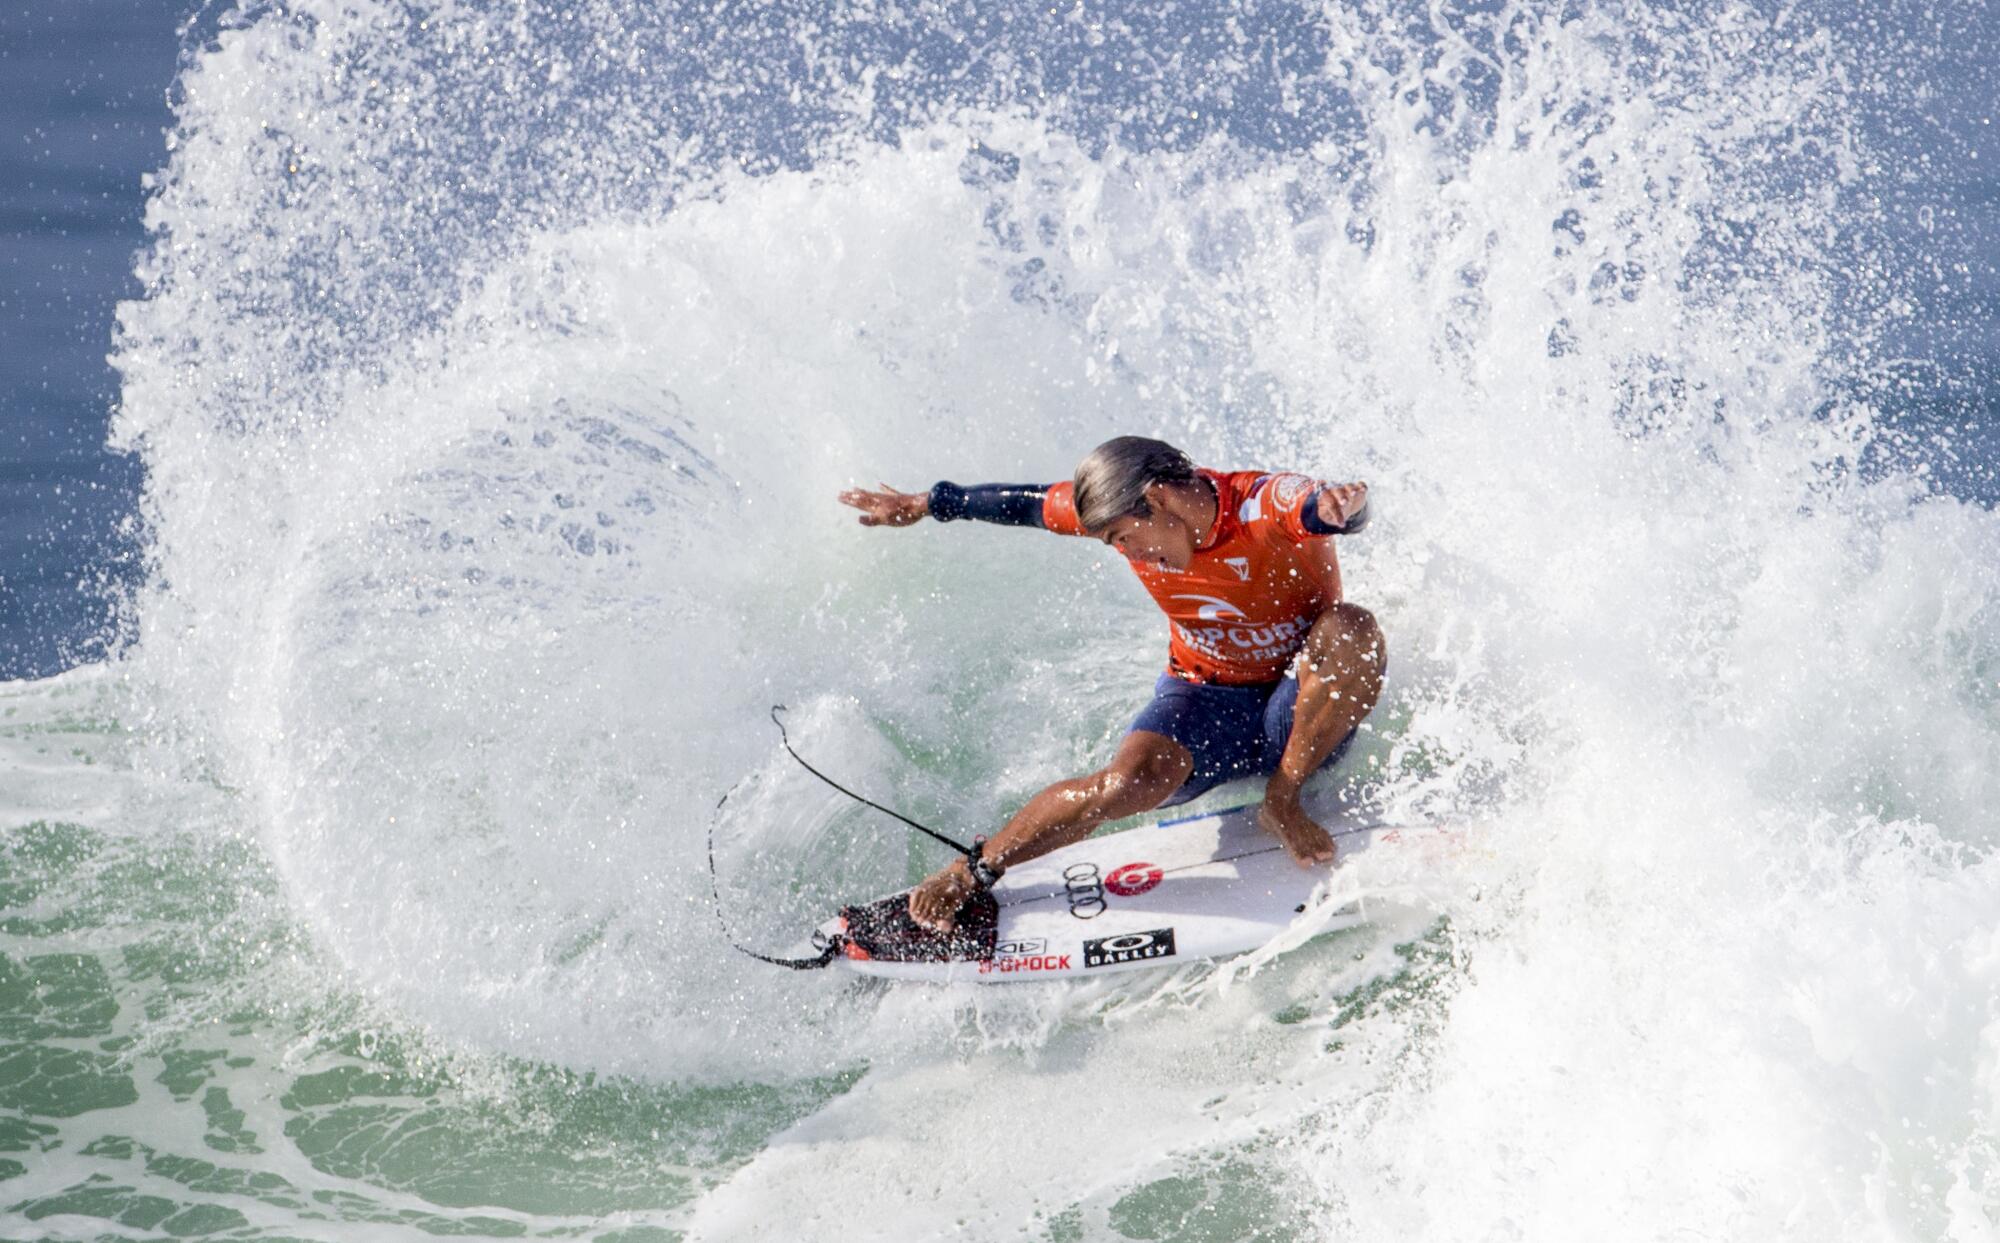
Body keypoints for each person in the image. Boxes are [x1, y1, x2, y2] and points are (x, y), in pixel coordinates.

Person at [837, 436, 1384, 934]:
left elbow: (1310, 505)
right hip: (1205, 702)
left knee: (1352, 628)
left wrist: (1343, 511)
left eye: (1124, 538)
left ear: (1159, 500)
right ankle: (972, 869)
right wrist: (926, 503)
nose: (1130, 554)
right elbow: (1026, 504)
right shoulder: (1117, 509)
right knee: (1123, 785)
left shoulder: (1256, 506)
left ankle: (1282, 799)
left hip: (1301, 713)